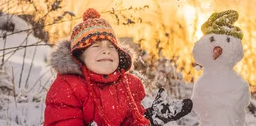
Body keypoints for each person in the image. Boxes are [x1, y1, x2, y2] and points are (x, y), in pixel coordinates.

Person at [44, 8, 193, 126]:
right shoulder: (67, 87)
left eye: (111, 46)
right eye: (95, 46)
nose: (106, 50)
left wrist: (150, 118)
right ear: (79, 56)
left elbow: (130, 121)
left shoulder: (128, 85)